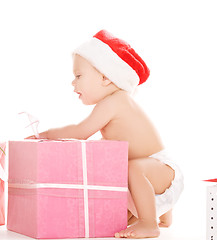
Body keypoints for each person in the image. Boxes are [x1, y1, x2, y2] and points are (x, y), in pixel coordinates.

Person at [27, 30, 184, 239]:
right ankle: (163, 216)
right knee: (117, 179)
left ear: (104, 77)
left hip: (162, 171)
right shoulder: (113, 104)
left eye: (78, 76)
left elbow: (80, 132)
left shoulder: (116, 101)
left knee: (134, 168)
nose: (73, 83)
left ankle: (149, 223)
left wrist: (45, 134)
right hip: (152, 178)